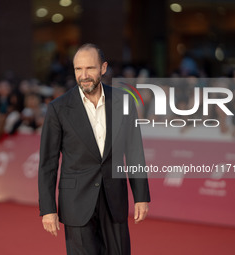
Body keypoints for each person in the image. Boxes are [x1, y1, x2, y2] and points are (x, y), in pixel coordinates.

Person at [38, 43, 150, 255]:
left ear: (103, 68)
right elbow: (48, 164)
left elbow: (135, 152)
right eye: (78, 69)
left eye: (90, 68)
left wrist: (141, 196)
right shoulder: (58, 108)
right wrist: (48, 209)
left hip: (114, 199)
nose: (84, 75)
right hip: (76, 202)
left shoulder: (123, 101)